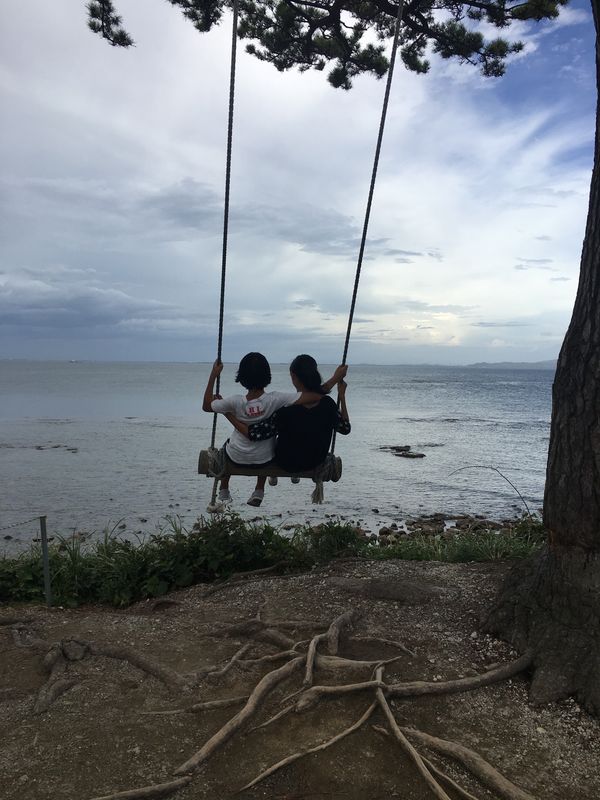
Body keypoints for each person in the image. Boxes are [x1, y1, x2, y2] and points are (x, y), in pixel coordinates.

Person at [203, 353, 346, 506]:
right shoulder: (280, 400)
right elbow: (318, 399)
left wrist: (214, 378)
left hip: (260, 458)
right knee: (269, 445)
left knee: (239, 444)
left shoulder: (238, 402)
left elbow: (207, 407)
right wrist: (337, 384)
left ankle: (224, 488)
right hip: (289, 460)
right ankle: (260, 489)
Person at [247, 354, 351, 475]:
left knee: (272, 436)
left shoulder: (286, 409)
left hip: (287, 463)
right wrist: (342, 396)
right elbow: (345, 429)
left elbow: (256, 434)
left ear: (293, 376)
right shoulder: (328, 404)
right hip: (315, 461)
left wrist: (229, 413)